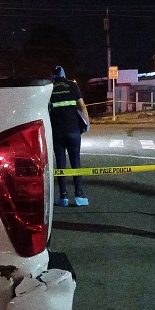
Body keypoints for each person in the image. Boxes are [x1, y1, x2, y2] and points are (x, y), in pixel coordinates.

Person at [49, 65, 91, 207]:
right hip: (73, 130)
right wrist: (87, 123)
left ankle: (63, 197)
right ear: (64, 74)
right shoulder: (72, 85)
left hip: (57, 132)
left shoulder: (49, 88)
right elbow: (82, 105)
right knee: (75, 162)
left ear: (53, 76)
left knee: (61, 164)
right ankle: (79, 196)